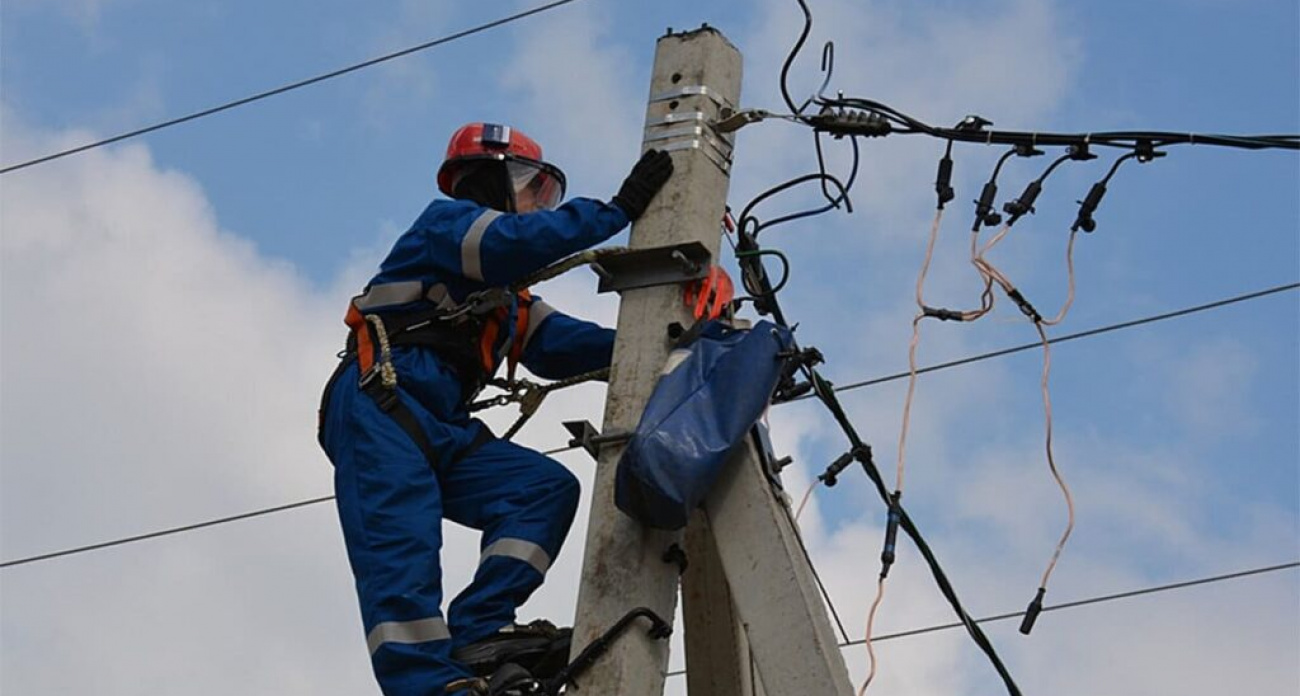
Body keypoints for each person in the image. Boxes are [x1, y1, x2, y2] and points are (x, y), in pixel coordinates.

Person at [318, 122, 674, 696]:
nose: (538, 206)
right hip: (380, 408)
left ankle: (478, 633)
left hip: (442, 424)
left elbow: (567, 346)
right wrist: (614, 212)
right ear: (489, 179)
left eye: (547, 196)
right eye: (534, 188)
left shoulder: (508, 303)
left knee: (542, 490)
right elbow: (510, 245)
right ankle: (431, 687)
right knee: (402, 554)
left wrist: (672, 347)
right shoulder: (447, 226)